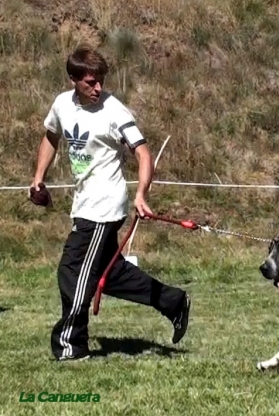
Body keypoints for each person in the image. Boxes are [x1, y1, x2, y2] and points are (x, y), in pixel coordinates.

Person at [30, 44, 191, 362]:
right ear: (73, 79)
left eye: (101, 80)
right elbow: (51, 136)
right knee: (110, 273)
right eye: (91, 82)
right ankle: (173, 301)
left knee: (72, 271)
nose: (98, 88)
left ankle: (71, 344)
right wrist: (39, 178)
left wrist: (142, 194)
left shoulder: (114, 110)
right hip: (84, 202)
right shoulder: (63, 105)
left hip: (103, 207)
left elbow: (143, 152)